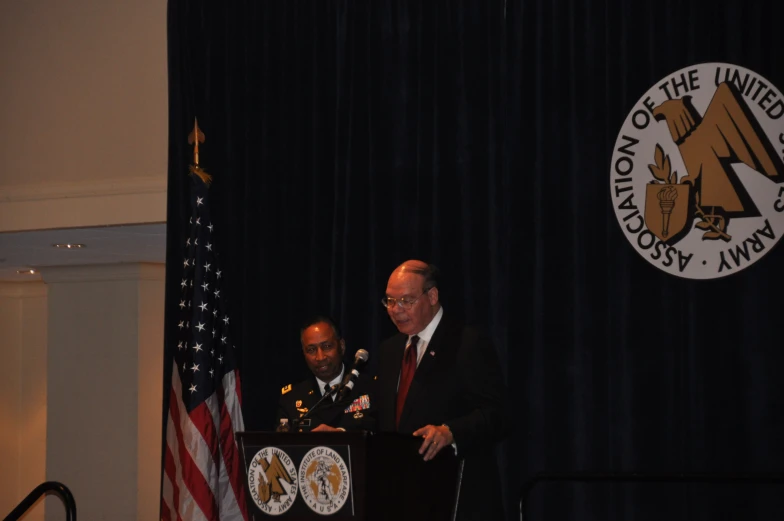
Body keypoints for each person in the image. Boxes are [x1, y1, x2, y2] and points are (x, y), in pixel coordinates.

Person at [376, 260, 509, 520]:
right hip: (402, 499)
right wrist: (343, 432)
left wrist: (450, 432)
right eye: (390, 301)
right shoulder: (389, 350)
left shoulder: (467, 343)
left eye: (406, 300)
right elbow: (386, 420)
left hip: (457, 498)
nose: (396, 310)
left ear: (433, 296)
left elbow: (499, 415)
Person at [278, 315, 375, 432]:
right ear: (304, 354)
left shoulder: (370, 387)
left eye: (327, 346)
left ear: (342, 346)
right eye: (311, 350)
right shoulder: (291, 397)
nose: (320, 357)